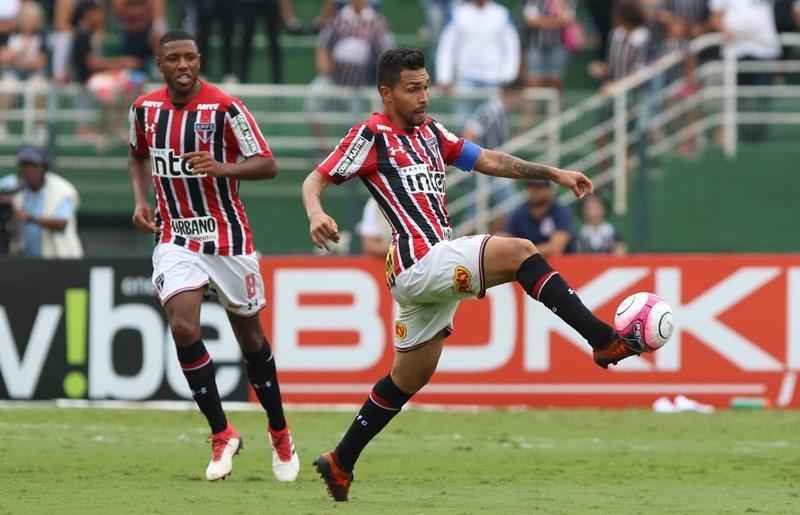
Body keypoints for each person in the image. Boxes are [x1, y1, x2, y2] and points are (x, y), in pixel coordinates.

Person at [302, 48, 643, 502]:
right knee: (522, 251)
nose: (422, 96)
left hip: (426, 275)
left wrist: (553, 173)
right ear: (386, 93)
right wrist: (315, 213)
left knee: (408, 379)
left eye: (425, 86)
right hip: (418, 261)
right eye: (411, 88)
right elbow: (315, 179)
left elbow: (492, 161)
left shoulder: (431, 133)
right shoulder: (370, 135)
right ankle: (602, 338)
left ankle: (341, 460)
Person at [127, 30, 299, 482]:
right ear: (160, 64)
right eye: (174, 59)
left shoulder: (226, 107)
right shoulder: (144, 109)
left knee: (251, 341)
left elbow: (268, 162)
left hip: (229, 239)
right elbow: (137, 156)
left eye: (190, 58)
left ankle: (279, 430)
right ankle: (222, 432)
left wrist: (223, 166)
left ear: (199, 61)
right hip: (175, 237)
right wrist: (141, 200)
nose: (183, 66)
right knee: (183, 324)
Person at [435, 0, 520, 126]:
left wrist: (508, 77)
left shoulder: (501, 14)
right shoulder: (459, 14)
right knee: (464, 125)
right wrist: (444, 77)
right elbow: (447, 46)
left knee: (493, 125)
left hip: (494, 80)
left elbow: (512, 47)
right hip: (465, 78)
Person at [710, 0, 780, 141]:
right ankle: (734, 139)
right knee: (734, 98)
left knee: (761, 97)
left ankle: (758, 138)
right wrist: (725, 31)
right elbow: (715, 16)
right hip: (736, 51)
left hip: (765, 50)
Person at [0, 145, 83, 258]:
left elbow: (61, 223)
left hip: (60, 259)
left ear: (44, 168)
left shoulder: (62, 189)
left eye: (33, 165)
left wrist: (30, 218)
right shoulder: (12, 183)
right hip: (23, 261)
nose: (28, 170)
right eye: (24, 165)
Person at [0, 1, 48, 141]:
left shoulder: (41, 36)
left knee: (39, 87)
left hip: (33, 75)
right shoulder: (8, 34)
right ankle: (1, 125)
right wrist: (21, 51)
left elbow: (40, 63)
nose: (29, 22)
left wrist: (16, 59)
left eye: (32, 19)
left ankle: (39, 127)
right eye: (26, 18)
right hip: (12, 73)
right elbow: (3, 57)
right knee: (6, 86)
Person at [505, 179, 576, 257]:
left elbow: (555, 249)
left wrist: (522, 253)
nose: (534, 190)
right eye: (530, 185)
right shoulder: (519, 212)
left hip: (561, 265)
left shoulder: (560, 211)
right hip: (529, 264)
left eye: (540, 186)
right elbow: (507, 241)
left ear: (550, 189)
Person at [522, 0, 576, 91]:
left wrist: (540, 21)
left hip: (559, 46)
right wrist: (556, 21)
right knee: (532, 81)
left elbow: (567, 19)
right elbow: (530, 21)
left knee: (555, 81)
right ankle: (533, 105)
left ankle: (555, 105)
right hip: (535, 45)